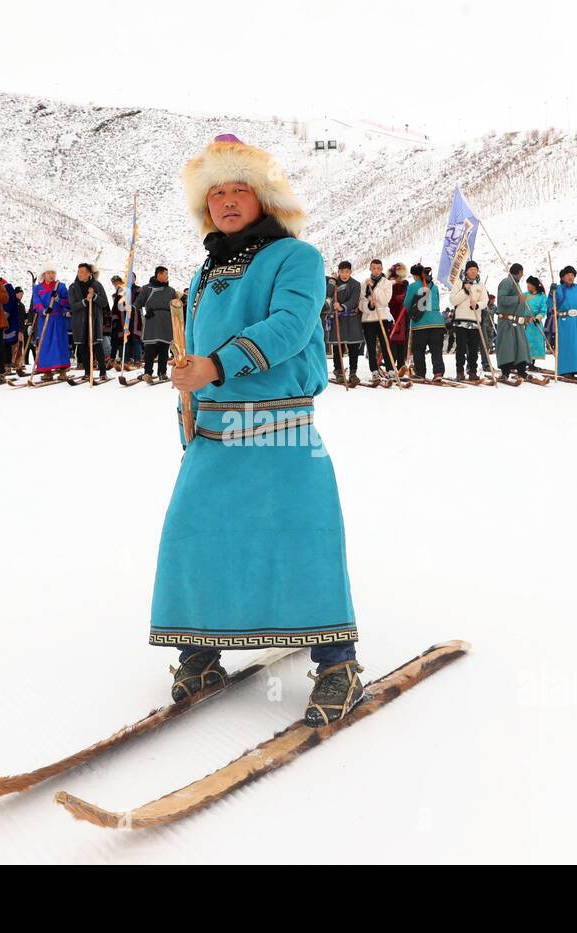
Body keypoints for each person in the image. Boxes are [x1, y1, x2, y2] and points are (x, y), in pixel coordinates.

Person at [155, 133, 364, 726]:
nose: (225, 201)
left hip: (282, 426)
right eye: (215, 192)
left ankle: (338, 665)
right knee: (196, 535)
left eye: (237, 189)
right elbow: (191, 357)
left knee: (299, 537)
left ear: (264, 197)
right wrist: (188, 416)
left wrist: (217, 365)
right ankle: (199, 653)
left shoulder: (297, 258)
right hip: (214, 430)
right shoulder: (203, 273)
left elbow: (291, 326)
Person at [550, 266, 577, 378]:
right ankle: (566, 369)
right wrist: (552, 293)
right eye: (568, 275)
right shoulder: (558, 289)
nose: (571, 277)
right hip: (565, 322)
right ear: (563, 277)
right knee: (567, 345)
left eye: (572, 275)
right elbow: (551, 305)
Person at [133, 266, 176, 383]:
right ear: (159, 274)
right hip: (152, 319)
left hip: (166, 320)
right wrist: (131, 307)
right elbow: (139, 302)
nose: (167, 276)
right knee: (150, 348)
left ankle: (162, 373)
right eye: (165, 274)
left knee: (164, 347)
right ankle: (147, 372)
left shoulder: (171, 291)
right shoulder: (147, 288)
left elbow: (176, 305)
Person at [69, 262, 110, 381]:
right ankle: (87, 372)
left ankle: (103, 372)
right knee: (82, 347)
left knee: (97, 346)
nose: (80, 274)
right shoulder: (73, 287)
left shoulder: (97, 285)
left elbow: (105, 302)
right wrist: (85, 301)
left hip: (94, 319)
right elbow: (72, 305)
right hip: (79, 321)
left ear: (89, 274)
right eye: (78, 272)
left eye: (82, 272)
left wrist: (95, 296)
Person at [403, 264, 443, 380]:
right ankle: (438, 373)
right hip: (437, 322)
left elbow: (406, 304)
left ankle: (420, 373)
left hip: (420, 323)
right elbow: (438, 303)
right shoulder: (434, 287)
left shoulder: (413, 286)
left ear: (415, 275)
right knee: (436, 349)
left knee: (419, 349)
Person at [491, 263, 530, 380]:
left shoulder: (515, 283)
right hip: (507, 322)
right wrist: (518, 299)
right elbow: (501, 299)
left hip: (516, 322)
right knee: (507, 348)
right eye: (522, 273)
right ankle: (505, 372)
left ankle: (521, 371)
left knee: (520, 348)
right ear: (519, 272)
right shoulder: (507, 282)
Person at [29, 268, 70, 380]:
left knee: (59, 343)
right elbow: (36, 303)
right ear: (44, 274)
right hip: (45, 319)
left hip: (58, 319)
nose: (51, 275)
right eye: (49, 273)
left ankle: (62, 370)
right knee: (45, 344)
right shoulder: (37, 288)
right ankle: (47, 371)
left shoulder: (60, 286)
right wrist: (43, 310)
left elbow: (67, 302)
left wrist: (58, 299)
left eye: (53, 273)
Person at [328, 260, 364, 384]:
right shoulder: (334, 283)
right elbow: (327, 294)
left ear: (350, 272)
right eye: (342, 272)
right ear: (338, 272)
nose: (344, 274)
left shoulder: (355, 284)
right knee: (338, 346)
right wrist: (332, 281)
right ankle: (338, 371)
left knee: (353, 346)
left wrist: (342, 306)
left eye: (347, 271)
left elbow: (354, 300)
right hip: (338, 319)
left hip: (352, 318)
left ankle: (353, 373)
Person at [358, 258, 393, 384]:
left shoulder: (387, 283)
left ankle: (390, 369)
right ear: (370, 269)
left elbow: (385, 300)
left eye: (378, 268)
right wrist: (370, 305)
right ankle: (374, 370)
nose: (376, 271)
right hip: (368, 319)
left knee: (385, 344)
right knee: (371, 347)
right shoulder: (363, 284)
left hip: (382, 317)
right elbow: (361, 303)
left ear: (382, 269)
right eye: (374, 268)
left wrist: (375, 288)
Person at [524, 276, 549, 370]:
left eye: (529, 285)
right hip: (524, 323)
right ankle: (522, 362)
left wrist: (538, 318)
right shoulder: (524, 295)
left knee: (534, 343)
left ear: (534, 286)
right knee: (524, 342)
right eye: (527, 285)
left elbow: (543, 310)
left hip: (535, 323)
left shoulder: (542, 297)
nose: (528, 287)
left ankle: (531, 363)